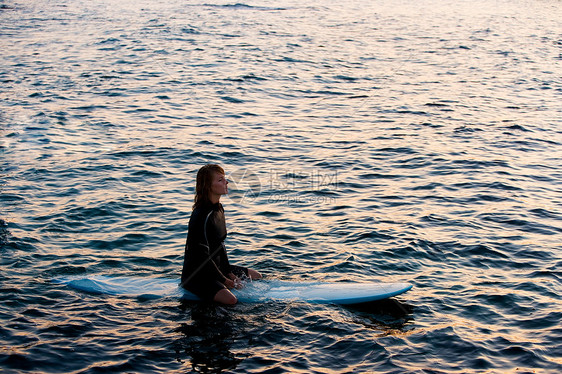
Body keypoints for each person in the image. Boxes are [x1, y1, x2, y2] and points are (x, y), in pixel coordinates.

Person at [181, 164, 262, 305]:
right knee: (231, 300)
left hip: (216, 268)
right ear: (208, 186)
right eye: (220, 180)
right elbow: (202, 257)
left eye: (224, 178)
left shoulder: (218, 209)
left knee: (256, 276)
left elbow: (220, 245)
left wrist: (228, 272)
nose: (226, 182)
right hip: (197, 275)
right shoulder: (201, 216)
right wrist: (226, 281)